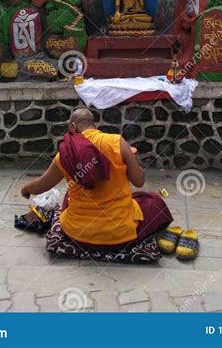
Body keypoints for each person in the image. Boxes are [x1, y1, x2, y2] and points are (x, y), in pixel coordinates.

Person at [18, 109, 198, 263]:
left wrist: (26, 189)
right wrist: (132, 161)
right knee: (152, 200)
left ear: (73, 127)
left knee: (69, 195)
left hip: (78, 235)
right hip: (120, 236)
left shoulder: (66, 153)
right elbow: (139, 181)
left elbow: (41, 185)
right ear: (94, 125)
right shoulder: (117, 142)